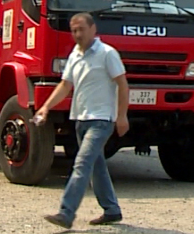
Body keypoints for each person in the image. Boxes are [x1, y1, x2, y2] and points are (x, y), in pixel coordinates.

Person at [36, 12, 130, 228]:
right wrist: (46, 107)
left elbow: (123, 85)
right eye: (74, 30)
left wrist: (121, 115)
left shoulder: (107, 53)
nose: (77, 34)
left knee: (82, 164)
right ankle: (112, 210)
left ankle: (66, 213)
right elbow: (65, 85)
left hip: (101, 120)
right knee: (96, 166)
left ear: (93, 29)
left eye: (81, 29)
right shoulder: (75, 55)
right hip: (80, 119)